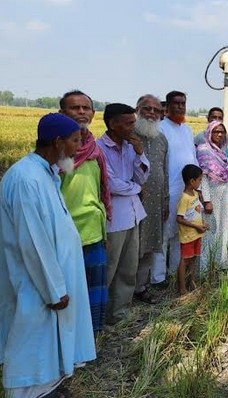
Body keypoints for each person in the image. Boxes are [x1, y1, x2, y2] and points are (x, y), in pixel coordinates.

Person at [0, 113, 96, 398]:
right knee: (30, 341)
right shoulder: (25, 178)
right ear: (57, 142)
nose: (79, 147)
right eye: (75, 141)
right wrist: (54, 290)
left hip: (49, 281)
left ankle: (48, 388)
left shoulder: (46, 173)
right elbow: (33, 242)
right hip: (35, 283)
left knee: (47, 343)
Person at [58, 90, 111, 333]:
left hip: (94, 228)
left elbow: (102, 188)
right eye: (74, 108)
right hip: (65, 232)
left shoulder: (93, 147)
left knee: (94, 289)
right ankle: (71, 340)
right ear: (62, 113)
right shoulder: (56, 151)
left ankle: (92, 337)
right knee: (68, 289)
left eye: (86, 108)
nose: (81, 112)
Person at [97, 103, 150, 324]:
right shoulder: (99, 148)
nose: (132, 127)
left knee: (129, 268)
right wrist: (137, 189)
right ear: (112, 124)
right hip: (113, 218)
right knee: (109, 269)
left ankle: (118, 314)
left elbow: (142, 177)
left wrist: (140, 154)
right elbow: (111, 184)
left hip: (133, 214)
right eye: (128, 123)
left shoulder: (131, 146)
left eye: (133, 122)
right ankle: (98, 318)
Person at [152, 91, 197, 288]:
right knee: (163, 235)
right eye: (176, 104)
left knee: (182, 233)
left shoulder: (187, 129)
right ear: (167, 107)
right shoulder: (161, 128)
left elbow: (193, 158)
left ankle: (174, 273)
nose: (180, 107)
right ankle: (158, 278)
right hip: (168, 191)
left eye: (183, 103)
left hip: (186, 191)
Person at [133, 95, 167, 305]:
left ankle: (141, 287)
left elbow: (163, 169)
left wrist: (165, 201)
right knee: (131, 249)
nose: (152, 113)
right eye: (147, 109)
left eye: (156, 110)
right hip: (132, 202)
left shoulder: (161, 139)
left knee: (148, 248)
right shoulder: (128, 136)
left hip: (155, 203)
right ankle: (123, 294)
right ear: (137, 110)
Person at [196, 121, 228, 272]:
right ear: (209, 132)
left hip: (223, 194)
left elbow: (227, 178)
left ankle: (220, 264)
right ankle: (204, 268)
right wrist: (207, 200)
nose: (219, 134)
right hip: (210, 194)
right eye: (216, 131)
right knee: (210, 230)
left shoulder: (222, 151)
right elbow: (202, 178)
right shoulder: (204, 150)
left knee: (222, 229)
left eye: (222, 132)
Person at [176, 165, 209, 295]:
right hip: (188, 236)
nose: (200, 182)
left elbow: (197, 212)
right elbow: (179, 218)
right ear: (192, 181)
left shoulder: (195, 194)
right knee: (185, 260)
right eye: (199, 180)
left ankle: (191, 282)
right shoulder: (184, 198)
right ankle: (182, 288)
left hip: (196, 234)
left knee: (194, 258)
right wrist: (196, 226)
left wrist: (203, 223)